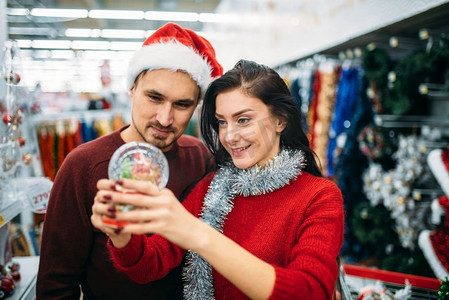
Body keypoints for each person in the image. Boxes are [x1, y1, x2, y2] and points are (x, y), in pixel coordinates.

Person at [92, 59, 345, 299]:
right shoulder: (211, 189)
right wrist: (121, 233)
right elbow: (149, 265)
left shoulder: (319, 196)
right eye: (221, 122)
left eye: (243, 120)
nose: (230, 136)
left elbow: (310, 292)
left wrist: (199, 235)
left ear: (280, 119)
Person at [36, 22, 223, 299]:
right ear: (132, 89)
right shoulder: (83, 165)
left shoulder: (200, 157)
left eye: (182, 104)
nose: (164, 118)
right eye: (154, 97)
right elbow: (56, 283)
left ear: (196, 106)